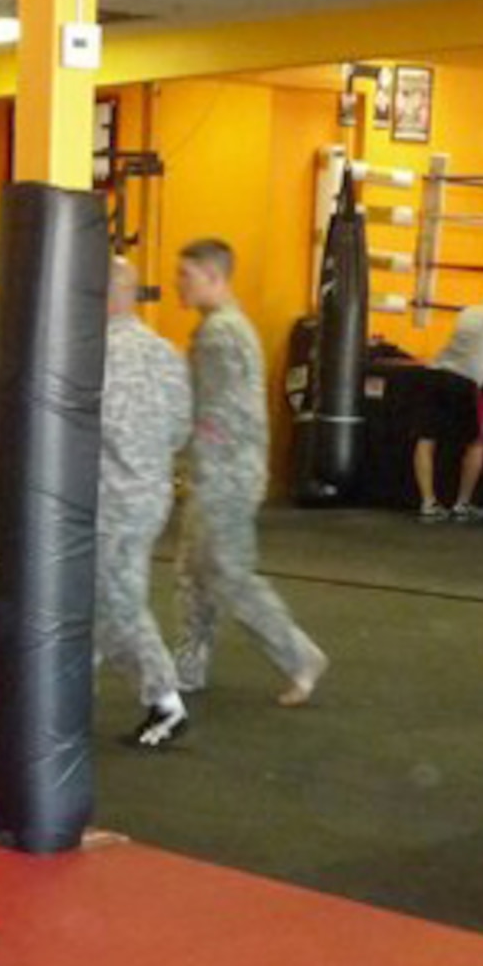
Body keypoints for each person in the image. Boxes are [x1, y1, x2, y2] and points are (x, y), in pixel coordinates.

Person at [170, 238, 329, 707]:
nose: (179, 283)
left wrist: (183, 461)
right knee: (193, 574)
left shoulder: (219, 335)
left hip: (225, 475)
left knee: (229, 575)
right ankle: (188, 669)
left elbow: (209, 412)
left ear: (214, 278)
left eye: (187, 274)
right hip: (223, 471)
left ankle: (300, 657)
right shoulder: (226, 328)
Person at [96, 258, 194, 748]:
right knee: (97, 596)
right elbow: (180, 427)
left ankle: (165, 700)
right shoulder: (165, 353)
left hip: (109, 500)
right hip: (150, 496)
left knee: (118, 600)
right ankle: (67, 692)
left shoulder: (92, 357)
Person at [410, 303, 483, 523]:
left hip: (435, 372)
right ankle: (462, 505)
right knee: (477, 441)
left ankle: (428, 504)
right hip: (466, 379)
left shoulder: (469, 311)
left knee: (426, 438)